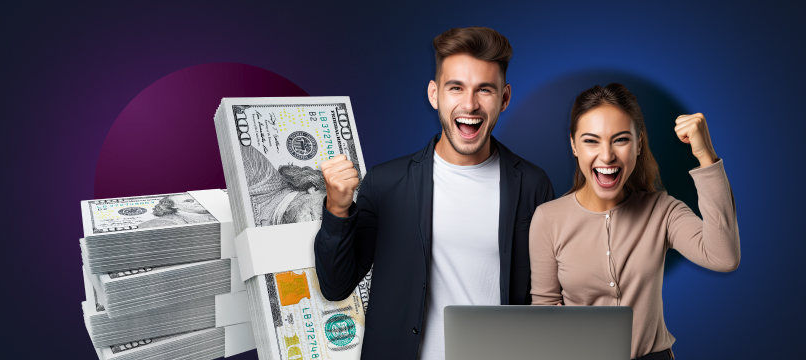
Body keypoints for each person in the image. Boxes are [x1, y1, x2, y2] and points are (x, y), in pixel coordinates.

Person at [314, 27, 555, 360]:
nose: (469, 104)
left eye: (484, 89)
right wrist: (337, 209)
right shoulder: (386, 183)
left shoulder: (533, 184)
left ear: (504, 98)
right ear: (434, 94)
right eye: (455, 88)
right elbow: (336, 286)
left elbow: (548, 297)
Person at [529, 83, 740, 360]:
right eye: (591, 140)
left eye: (620, 139)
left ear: (639, 144)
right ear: (574, 145)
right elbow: (544, 311)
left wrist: (705, 155)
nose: (606, 156)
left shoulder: (662, 210)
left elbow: (723, 257)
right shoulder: (547, 218)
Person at [137, 193, 217, 228]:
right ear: (174, 206)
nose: (198, 202)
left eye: (198, 199)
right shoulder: (166, 222)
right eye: (188, 201)